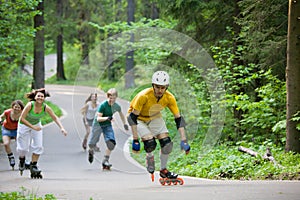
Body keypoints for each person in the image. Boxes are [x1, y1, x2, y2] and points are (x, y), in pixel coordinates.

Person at [127, 71, 190, 180]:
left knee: (167, 144)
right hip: (138, 118)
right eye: (157, 87)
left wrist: (184, 140)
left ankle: (163, 170)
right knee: (150, 142)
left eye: (163, 87)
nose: (160, 90)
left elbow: (178, 119)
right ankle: (149, 157)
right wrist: (136, 139)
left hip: (154, 116)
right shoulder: (143, 96)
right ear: (153, 85)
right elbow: (132, 118)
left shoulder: (169, 98)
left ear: (167, 87)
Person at [17, 88, 67, 178]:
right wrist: (33, 127)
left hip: (36, 124)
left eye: (42, 96)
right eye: (38, 96)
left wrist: (62, 128)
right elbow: (22, 119)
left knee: (39, 146)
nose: (40, 98)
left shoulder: (45, 107)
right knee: (23, 149)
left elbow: (54, 117)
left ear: (44, 98)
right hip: (24, 126)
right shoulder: (30, 105)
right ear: (35, 97)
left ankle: (33, 165)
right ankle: (22, 159)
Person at [87, 88, 129, 169]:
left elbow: (121, 114)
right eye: (109, 97)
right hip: (98, 124)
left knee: (111, 143)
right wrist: (107, 118)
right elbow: (98, 118)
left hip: (107, 125)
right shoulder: (103, 105)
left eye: (113, 97)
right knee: (92, 143)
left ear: (116, 97)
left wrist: (125, 124)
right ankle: (91, 151)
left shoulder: (117, 106)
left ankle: (105, 160)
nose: (111, 99)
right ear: (107, 96)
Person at [0, 100, 24, 169]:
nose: (16, 109)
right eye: (15, 107)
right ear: (12, 107)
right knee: (6, 144)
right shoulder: (7, 112)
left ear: (21, 108)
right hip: (7, 129)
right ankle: (11, 157)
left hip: (17, 130)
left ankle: (22, 159)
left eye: (18, 107)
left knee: (20, 145)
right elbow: (1, 116)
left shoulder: (23, 113)